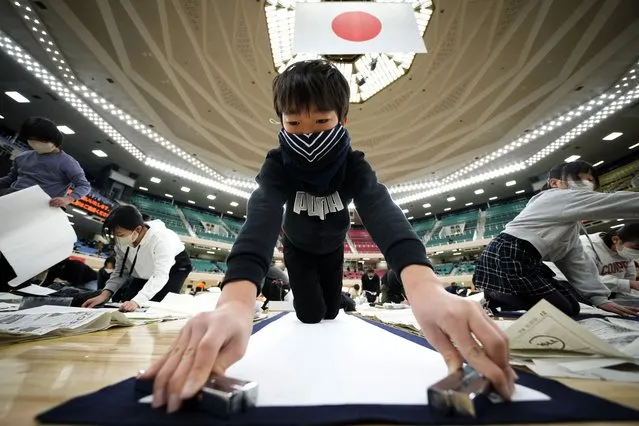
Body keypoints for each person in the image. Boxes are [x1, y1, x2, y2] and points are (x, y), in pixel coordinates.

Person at [141, 59, 516, 413]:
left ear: (343, 119)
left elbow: (380, 209)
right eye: (294, 124)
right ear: (281, 122)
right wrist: (236, 302)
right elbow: (262, 215)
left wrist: (425, 287)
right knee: (309, 316)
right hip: (298, 249)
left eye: (321, 121)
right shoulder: (277, 166)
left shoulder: (353, 164)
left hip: (335, 247)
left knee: (333, 311)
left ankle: (341, 300)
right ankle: (326, 299)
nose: (307, 134)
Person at [474, 161, 639, 317]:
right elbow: (613, 203)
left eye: (591, 181)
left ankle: (500, 292)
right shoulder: (555, 197)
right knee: (562, 309)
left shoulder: (570, 227)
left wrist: (600, 299)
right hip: (509, 252)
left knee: (572, 307)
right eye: (581, 179)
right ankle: (496, 293)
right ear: (555, 184)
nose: (589, 184)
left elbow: (576, 263)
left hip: (525, 258)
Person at [81, 205, 192, 312]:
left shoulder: (162, 240)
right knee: (125, 304)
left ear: (138, 229)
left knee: (156, 307)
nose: (118, 239)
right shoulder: (122, 241)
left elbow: (160, 276)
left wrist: (137, 301)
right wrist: (104, 295)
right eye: (115, 235)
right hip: (143, 270)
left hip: (175, 268)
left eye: (120, 234)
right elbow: (120, 271)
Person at [0, 117, 90, 206]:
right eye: (32, 139)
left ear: (53, 139)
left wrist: (68, 198)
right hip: (11, 200)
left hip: (42, 207)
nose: (37, 143)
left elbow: (84, 186)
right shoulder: (22, 157)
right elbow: (11, 179)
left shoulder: (68, 163)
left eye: (41, 140)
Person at [581, 223, 639, 296]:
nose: (637, 252)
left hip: (612, 294)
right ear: (615, 239)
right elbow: (586, 279)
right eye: (637, 247)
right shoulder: (586, 247)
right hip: (584, 295)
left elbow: (630, 277)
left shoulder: (623, 250)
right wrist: (630, 284)